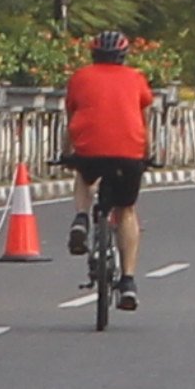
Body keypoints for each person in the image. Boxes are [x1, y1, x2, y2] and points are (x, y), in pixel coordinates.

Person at [65, 30, 156, 308]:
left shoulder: (80, 77)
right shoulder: (136, 79)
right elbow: (144, 121)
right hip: (129, 152)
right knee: (126, 210)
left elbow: (71, 118)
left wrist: (66, 152)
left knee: (83, 175)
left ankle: (81, 218)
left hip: (90, 150)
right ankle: (127, 282)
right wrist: (149, 155)